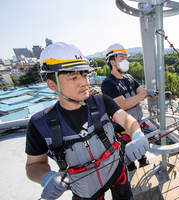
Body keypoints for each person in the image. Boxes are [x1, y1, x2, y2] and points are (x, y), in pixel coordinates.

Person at [25, 42, 150, 200]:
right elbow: (33, 165)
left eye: (84, 75)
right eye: (73, 77)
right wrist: (46, 177)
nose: (84, 82)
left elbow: (127, 120)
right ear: (52, 84)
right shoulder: (40, 124)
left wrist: (138, 135)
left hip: (116, 170)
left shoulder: (102, 102)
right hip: (85, 187)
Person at [101, 43, 158, 171]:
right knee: (129, 159)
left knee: (141, 153)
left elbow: (142, 91)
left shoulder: (129, 78)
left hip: (137, 125)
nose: (125, 61)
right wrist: (143, 94)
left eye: (126, 57)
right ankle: (132, 172)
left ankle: (143, 163)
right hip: (122, 130)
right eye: (122, 58)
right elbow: (122, 104)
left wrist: (154, 93)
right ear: (112, 61)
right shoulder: (108, 83)